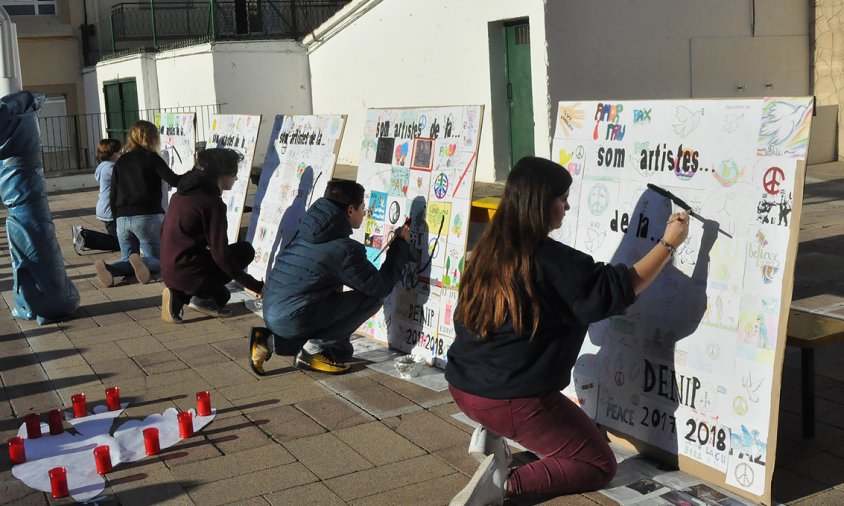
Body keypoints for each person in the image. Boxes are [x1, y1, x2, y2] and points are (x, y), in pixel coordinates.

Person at [445, 156, 690, 506]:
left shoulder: (488, 248)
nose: (568, 206)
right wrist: (668, 244)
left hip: (463, 386)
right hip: (507, 397)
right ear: (541, 203)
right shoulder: (551, 261)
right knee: (597, 463)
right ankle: (501, 484)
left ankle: (491, 435)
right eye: (562, 198)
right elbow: (615, 290)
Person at [248, 179, 411, 375]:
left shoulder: (308, 230)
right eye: (362, 208)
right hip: (293, 317)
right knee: (373, 297)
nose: (364, 214)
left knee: (339, 338)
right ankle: (312, 350)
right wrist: (400, 246)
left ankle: (267, 341)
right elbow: (380, 287)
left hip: (272, 310)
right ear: (350, 210)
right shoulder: (343, 249)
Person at [159, 148, 263, 322]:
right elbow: (221, 254)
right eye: (234, 174)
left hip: (168, 269)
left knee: (221, 295)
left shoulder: (180, 194)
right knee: (244, 251)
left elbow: (162, 231)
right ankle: (183, 295)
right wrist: (255, 285)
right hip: (187, 271)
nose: (236, 179)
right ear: (222, 176)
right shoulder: (212, 203)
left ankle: (180, 293)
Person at [93, 120, 181, 288]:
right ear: (152, 137)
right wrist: (195, 175)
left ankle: (110, 269)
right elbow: (174, 180)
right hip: (147, 215)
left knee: (127, 258)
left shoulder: (121, 161)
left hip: (122, 217)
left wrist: (116, 215)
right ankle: (143, 263)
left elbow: (114, 192)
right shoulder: (151, 157)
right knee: (158, 259)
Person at [72, 139, 121, 254]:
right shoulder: (110, 168)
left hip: (106, 208)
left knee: (118, 239)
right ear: (113, 154)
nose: (120, 154)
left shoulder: (104, 166)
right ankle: (83, 235)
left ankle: (84, 236)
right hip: (109, 209)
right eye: (119, 152)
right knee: (118, 243)